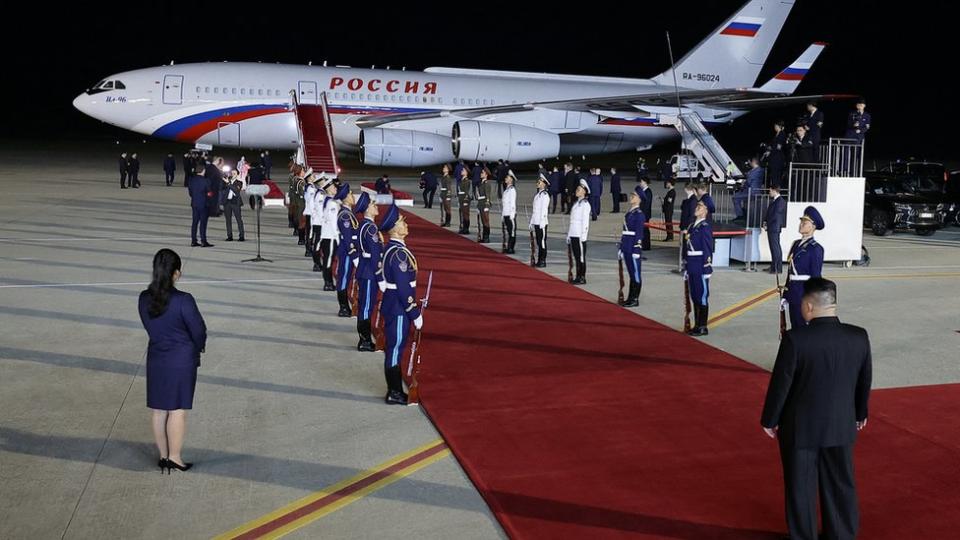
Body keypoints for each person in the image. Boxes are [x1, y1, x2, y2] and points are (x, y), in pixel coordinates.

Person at [761, 277, 872, 540]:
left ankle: (804, 534)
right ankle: (842, 533)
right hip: (841, 424)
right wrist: (860, 413)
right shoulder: (858, 336)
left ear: (808, 306)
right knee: (841, 482)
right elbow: (864, 379)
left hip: (801, 428)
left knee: (801, 486)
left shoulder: (796, 340)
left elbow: (782, 383)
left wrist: (770, 418)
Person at [138, 248, 206, 473]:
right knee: (177, 410)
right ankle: (175, 457)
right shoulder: (183, 300)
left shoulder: (143, 298)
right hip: (181, 360)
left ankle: (164, 455)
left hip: (157, 357)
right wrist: (197, 347)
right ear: (175, 273)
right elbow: (198, 331)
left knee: (159, 410)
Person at [378, 205, 423, 405]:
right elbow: (404, 289)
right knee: (395, 348)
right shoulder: (399, 254)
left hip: (392, 302)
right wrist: (414, 313)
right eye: (401, 223)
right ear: (395, 230)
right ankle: (394, 391)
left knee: (395, 346)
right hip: (399, 307)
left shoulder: (393, 248)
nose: (405, 225)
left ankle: (394, 389)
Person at [784, 206, 825, 329]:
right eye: (801, 221)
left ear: (813, 226)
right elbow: (790, 272)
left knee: (803, 328)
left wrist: (813, 301)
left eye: (805, 222)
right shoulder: (795, 244)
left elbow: (816, 277)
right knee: (794, 326)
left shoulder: (816, 249)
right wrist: (785, 295)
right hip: (793, 293)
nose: (801, 224)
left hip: (804, 294)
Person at [354, 193, 381, 352]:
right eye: (373, 204)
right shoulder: (370, 228)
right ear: (367, 209)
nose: (375, 206)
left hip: (365, 269)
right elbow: (375, 252)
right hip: (370, 271)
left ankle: (364, 338)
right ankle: (364, 339)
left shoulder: (364, 225)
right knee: (366, 307)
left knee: (366, 305)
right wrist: (380, 275)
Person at [683, 200, 713, 336]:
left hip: (701, 265)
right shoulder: (691, 226)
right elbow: (687, 247)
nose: (697, 208)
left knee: (702, 296)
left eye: (700, 207)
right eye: (697, 206)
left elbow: (707, 247)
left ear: (705, 211)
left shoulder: (705, 227)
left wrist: (707, 266)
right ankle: (696, 324)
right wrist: (686, 265)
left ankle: (702, 326)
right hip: (692, 264)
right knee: (694, 295)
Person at [334, 184, 359, 317]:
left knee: (346, 277)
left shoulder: (348, 213)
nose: (352, 196)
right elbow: (348, 239)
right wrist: (354, 255)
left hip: (349, 252)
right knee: (343, 278)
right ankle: (343, 306)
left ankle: (345, 306)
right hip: (347, 253)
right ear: (345, 198)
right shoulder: (345, 215)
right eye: (350, 194)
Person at [619, 186, 646, 307]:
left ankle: (635, 298)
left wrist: (637, 247)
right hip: (626, 244)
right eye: (631, 194)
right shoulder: (630, 212)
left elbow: (639, 233)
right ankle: (630, 297)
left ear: (639, 199)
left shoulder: (639, 214)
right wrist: (621, 247)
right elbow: (624, 231)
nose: (631, 197)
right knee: (631, 272)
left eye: (634, 195)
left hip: (633, 245)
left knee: (635, 273)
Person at [567, 179, 592, 284]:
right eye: (577, 188)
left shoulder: (585, 204)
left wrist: (583, 236)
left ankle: (582, 277)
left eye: (579, 189)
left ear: (584, 191)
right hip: (574, 233)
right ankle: (578, 275)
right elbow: (572, 221)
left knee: (581, 256)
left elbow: (585, 222)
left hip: (579, 234)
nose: (577, 190)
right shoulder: (577, 203)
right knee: (577, 256)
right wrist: (569, 234)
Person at [318, 177, 340, 291]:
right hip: (330, 236)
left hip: (327, 234)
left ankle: (328, 281)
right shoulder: (332, 203)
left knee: (328, 259)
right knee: (328, 260)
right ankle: (328, 282)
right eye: (333, 187)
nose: (335, 188)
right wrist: (337, 237)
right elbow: (333, 222)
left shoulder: (328, 200)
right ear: (328, 189)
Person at [186, 163, 213, 247]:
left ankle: (193, 241)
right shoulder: (206, 181)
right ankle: (203, 241)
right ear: (203, 171)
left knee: (194, 222)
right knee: (203, 223)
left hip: (194, 203)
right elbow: (209, 193)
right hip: (203, 204)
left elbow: (190, 192)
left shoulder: (191, 180)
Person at [762, 185, 787, 274]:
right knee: (773, 248)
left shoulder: (780, 201)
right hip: (772, 227)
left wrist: (768, 224)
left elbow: (775, 216)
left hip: (774, 227)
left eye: (770, 191)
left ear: (774, 190)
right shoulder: (776, 201)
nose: (769, 192)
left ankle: (777, 268)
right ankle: (774, 266)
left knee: (775, 248)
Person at [733, 157, 764, 222]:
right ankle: (741, 213)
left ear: (754, 162)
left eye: (751, 162)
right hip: (749, 191)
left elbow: (749, 181)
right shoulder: (755, 170)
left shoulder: (758, 170)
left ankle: (740, 215)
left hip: (753, 192)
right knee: (737, 196)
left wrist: (743, 184)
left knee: (735, 197)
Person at [530, 174, 550, 267]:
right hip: (537, 221)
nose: (537, 183)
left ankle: (543, 260)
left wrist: (542, 222)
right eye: (538, 182)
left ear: (544, 184)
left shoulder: (545, 195)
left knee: (542, 242)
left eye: (539, 182)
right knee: (538, 242)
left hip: (542, 222)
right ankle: (539, 259)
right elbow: (535, 210)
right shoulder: (538, 195)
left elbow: (544, 210)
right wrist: (532, 221)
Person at [222, 171, 245, 242]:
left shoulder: (239, 182)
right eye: (231, 173)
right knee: (228, 220)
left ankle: (241, 236)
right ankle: (229, 236)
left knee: (239, 220)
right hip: (227, 202)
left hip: (235, 203)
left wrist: (228, 183)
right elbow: (222, 189)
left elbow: (236, 190)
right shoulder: (226, 181)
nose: (232, 174)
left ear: (237, 175)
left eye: (234, 173)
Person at [288, 166, 306, 245]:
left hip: (297, 201)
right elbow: (303, 193)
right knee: (302, 221)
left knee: (297, 218)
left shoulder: (295, 179)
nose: (304, 172)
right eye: (303, 171)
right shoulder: (300, 182)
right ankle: (301, 239)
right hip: (301, 203)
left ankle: (298, 234)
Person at [501, 171, 518, 254]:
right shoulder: (506, 190)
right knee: (508, 231)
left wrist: (512, 214)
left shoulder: (512, 190)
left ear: (511, 180)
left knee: (512, 231)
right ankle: (509, 247)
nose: (505, 179)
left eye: (507, 178)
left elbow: (512, 203)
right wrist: (503, 214)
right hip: (506, 213)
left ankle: (511, 247)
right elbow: (504, 204)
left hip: (510, 214)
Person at [476, 167, 492, 243]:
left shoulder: (487, 183)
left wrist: (487, 205)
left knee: (486, 221)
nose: (481, 174)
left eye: (482, 173)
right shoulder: (481, 183)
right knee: (483, 221)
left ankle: (487, 237)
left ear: (486, 175)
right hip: (481, 204)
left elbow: (487, 195)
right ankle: (484, 236)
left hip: (485, 204)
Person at [639, 177, 653, 251]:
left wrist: (642, 214)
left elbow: (647, 205)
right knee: (643, 230)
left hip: (645, 214)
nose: (640, 183)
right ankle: (644, 244)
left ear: (645, 182)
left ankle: (646, 245)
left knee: (645, 230)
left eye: (641, 182)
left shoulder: (648, 192)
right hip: (642, 213)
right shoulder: (643, 191)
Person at [456, 166, 472, 234]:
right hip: (461, 198)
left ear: (466, 173)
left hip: (465, 199)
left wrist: (465, 200)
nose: (462, 171)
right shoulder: (462, 180)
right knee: (462, 214)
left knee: (466, 214)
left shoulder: (467, 181)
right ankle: (463, 227)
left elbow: (466, 191)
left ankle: (466, 229)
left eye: (463, 170)